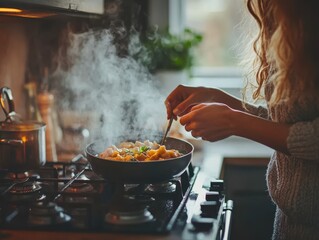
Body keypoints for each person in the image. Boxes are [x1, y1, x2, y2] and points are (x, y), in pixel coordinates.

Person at [164, 0, 319, 239]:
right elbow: (291, 121)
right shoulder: (291, 27)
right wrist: (217, 97)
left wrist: (234, 121)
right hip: (289, 223)